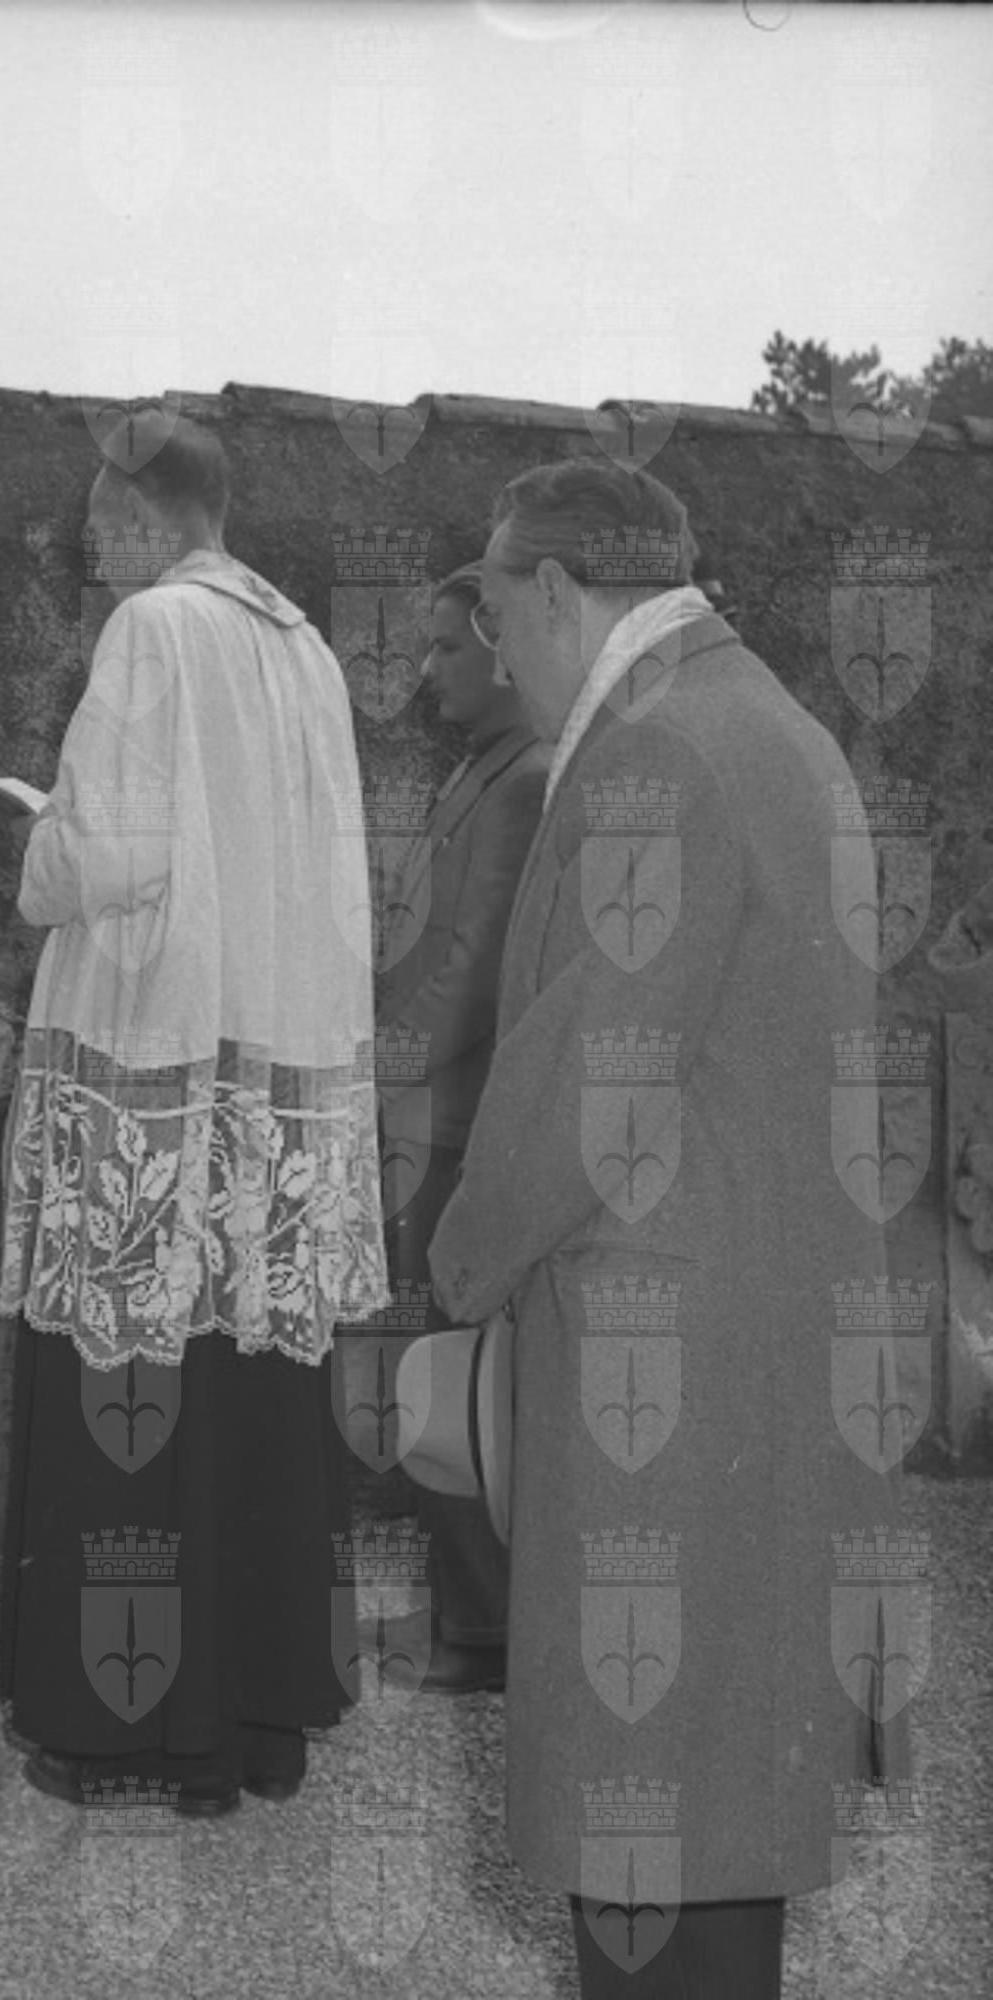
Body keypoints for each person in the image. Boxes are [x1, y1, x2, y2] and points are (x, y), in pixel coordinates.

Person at [427, 459, 913, 1997]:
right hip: (758, 1339)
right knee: (714, 1823)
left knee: (652, 1841)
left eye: (494, 614)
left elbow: (593, 1073)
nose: (493, 652)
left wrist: (456, 1265)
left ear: (554, 591)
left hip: (663, 1370)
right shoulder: (773, 725)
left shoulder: (660, 752)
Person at [0, 406, 390, 1816]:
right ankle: (258, 1720)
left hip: (157, 1062)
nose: (85, 541)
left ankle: (126, 1734)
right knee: (249, 1391)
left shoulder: (153, 628)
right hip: (268, 1074)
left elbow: (102, 858)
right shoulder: (304, 647)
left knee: (132, 1396)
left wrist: (32, 838)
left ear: (144, 511)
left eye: (96, 515)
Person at [372, 562, 549, 1695]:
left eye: (445, 648)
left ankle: (484, 1630)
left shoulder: (523, 779)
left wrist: (372, 1072)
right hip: (426, 1113)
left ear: (503, 652)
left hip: (453, 1121)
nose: (426, 669)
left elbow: (473, 972)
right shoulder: (485, 765)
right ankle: (468, 1610)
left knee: (447, 1364)